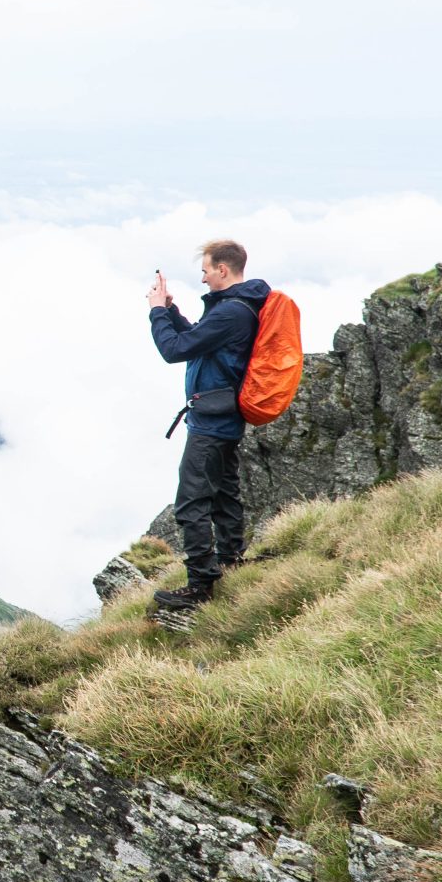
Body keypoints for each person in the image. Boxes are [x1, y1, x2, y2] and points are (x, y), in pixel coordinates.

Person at [145, 239, 270, 610]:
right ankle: (231, 560)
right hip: (223, 417)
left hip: (211, 424)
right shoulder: (237, 308)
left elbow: (175, 350)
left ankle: (200, 585)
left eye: (205, 270)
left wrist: (155, 312)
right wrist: (171, 311)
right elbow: (199, 339)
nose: (202, 279)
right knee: (224, 493)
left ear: (222, 270)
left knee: (191, 502)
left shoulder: (231, 312)